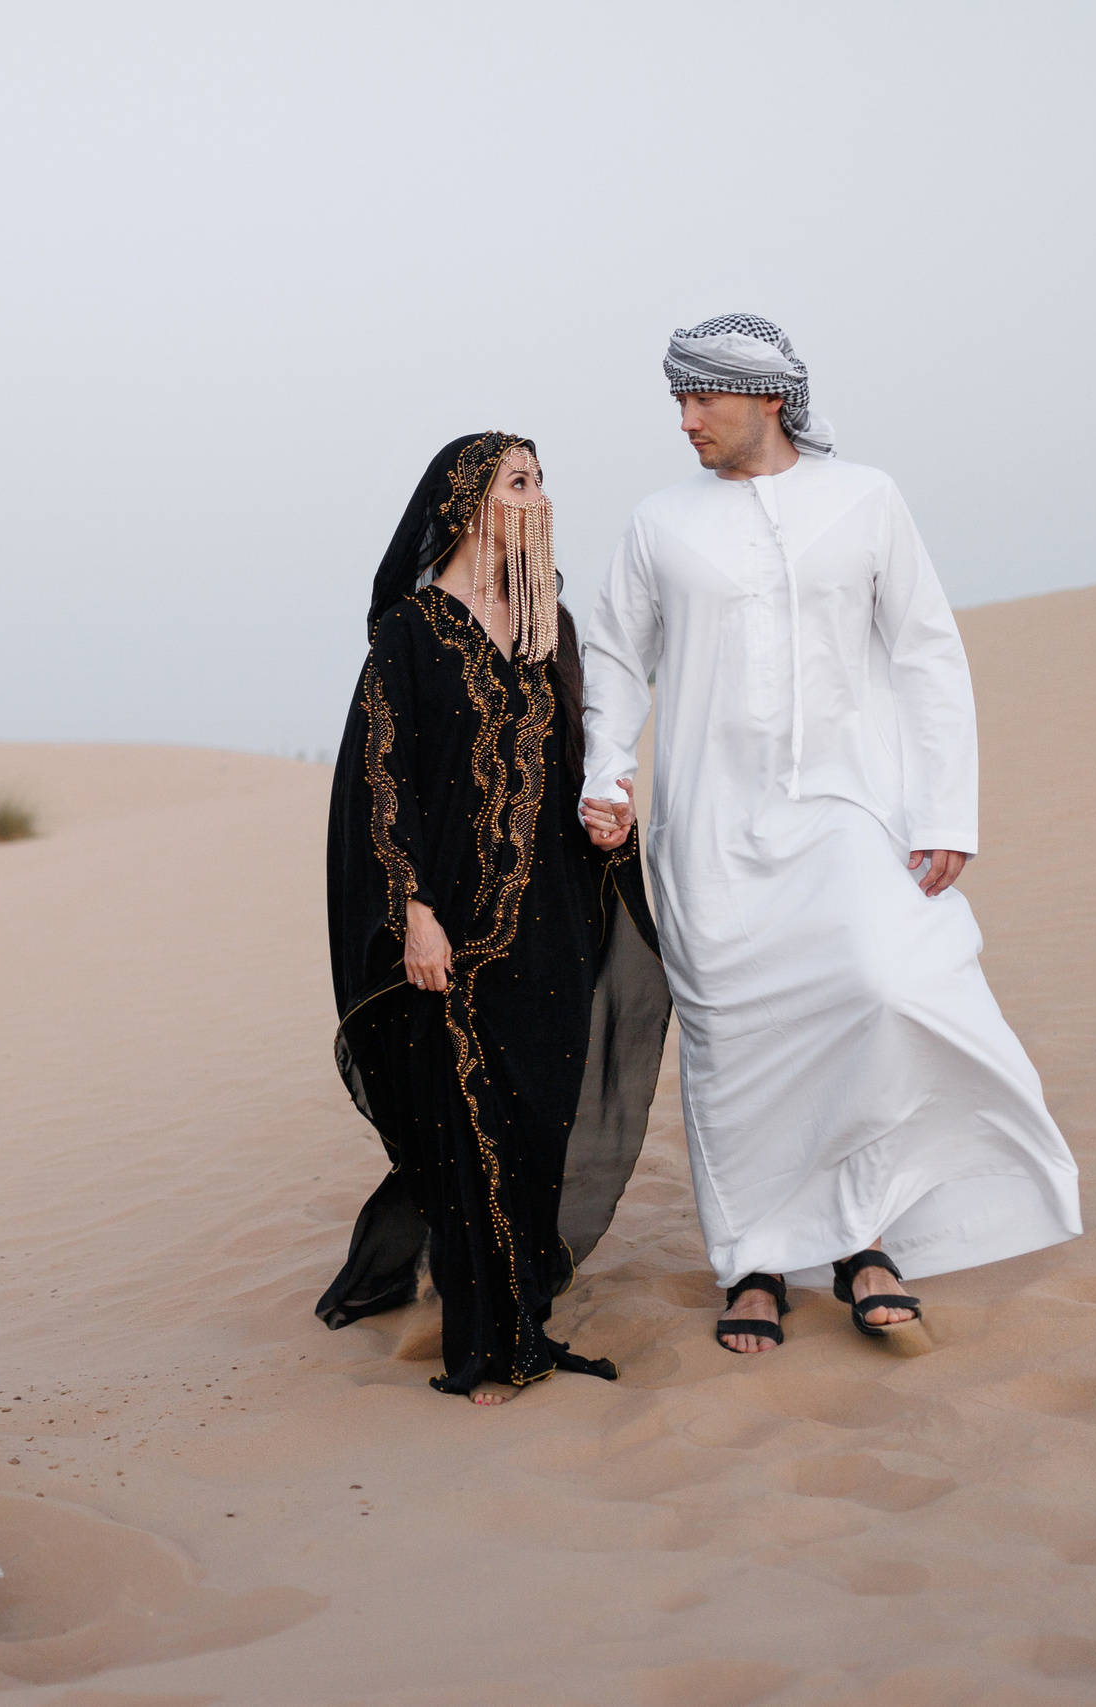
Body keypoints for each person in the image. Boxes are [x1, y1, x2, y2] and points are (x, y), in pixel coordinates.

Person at [577, 315, 1081, 1354]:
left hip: (852, 810)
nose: (684, 420)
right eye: (676, 400)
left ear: (764, 397)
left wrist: (946, 809)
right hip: (709, 823)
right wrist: (607, 771)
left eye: (700, 398)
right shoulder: (658, 522)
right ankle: (753, 1264)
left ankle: (859, 1234)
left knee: (881, 992)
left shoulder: (866, 500)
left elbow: (927, 653)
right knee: (735, 1051)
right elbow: (616, 656)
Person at [317, 433, 671, 1403]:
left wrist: (607, 816)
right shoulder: (410, 631)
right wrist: (412, 912)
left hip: (552, 923)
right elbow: (382, 786)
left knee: (536, 1127)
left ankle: (523, 1319)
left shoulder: (547, 622)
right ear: (467, 502)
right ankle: (486, 1350)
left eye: (541, 479)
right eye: (518, 480)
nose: (537, 494)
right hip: (454, 932)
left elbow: (580, 770)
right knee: (472, 1131)